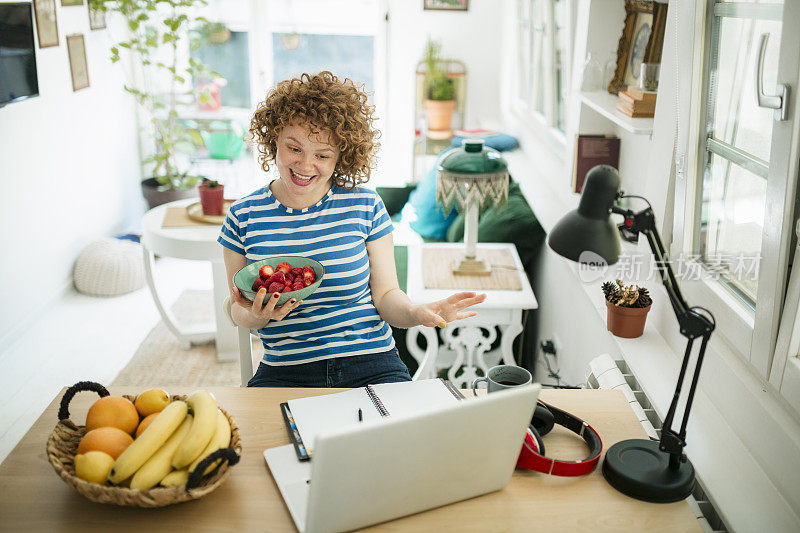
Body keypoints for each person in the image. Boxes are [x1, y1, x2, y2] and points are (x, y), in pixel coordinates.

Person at [218, 71, 486, 388]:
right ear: (273, 137)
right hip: (287, 370)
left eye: (322, 155)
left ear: (341, 157)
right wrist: (261, 316)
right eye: (294, 148)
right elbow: (238, 308)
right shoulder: (242, 215)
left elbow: (386, 295)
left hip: (373, 362)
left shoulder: (366, 206)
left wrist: (416, 312)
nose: (305, 166)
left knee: (408, 435)